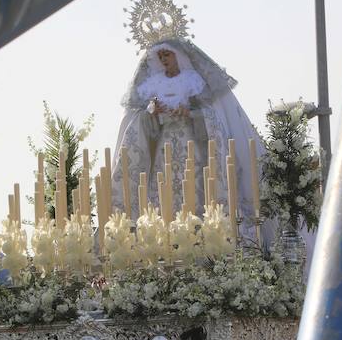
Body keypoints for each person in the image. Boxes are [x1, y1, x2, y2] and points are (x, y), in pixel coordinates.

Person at [112, 36, 265, 238]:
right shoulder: (153, 84)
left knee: (195, 190)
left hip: (190, 146)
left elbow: (210, 116)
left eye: (167, 54)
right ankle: (164, 239)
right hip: (164, 149)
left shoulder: (192, 80)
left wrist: (189, 114)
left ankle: (200, 239)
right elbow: (143, 124)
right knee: (163, 190)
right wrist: (153, 112)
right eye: (160, 56)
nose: (164, 59)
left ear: (178, 55)